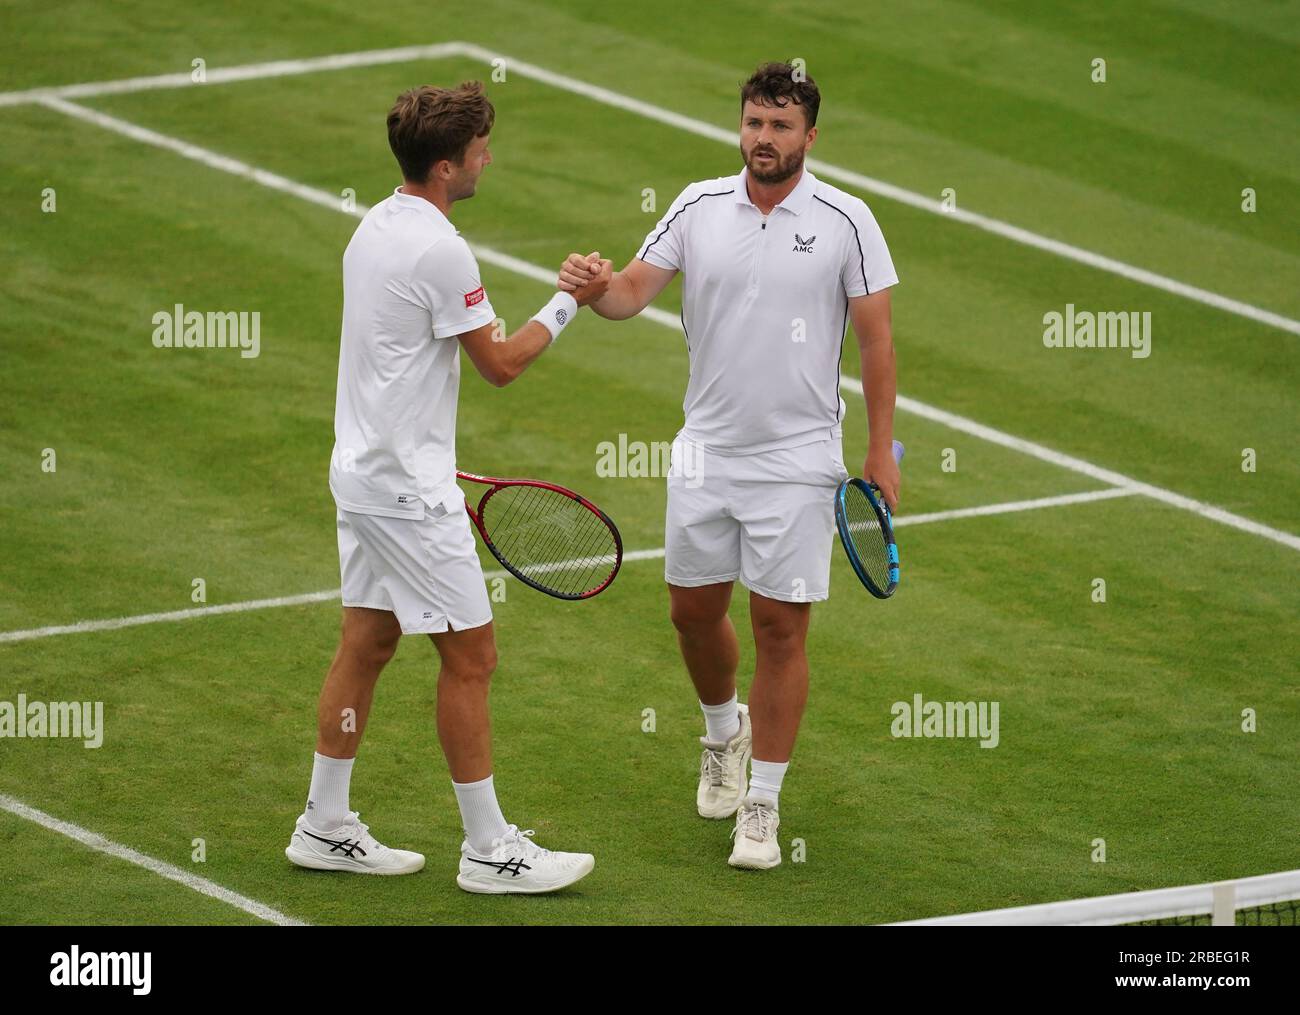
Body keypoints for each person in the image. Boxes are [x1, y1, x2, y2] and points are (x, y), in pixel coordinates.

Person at [557, 62, 899, 870]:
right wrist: (595, 286)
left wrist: (881, 447)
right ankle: (723, 733)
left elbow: (877, 342)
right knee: (690, 609)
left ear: (810, 137)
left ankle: (765, 805)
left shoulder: (850, 222)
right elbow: (631, 292)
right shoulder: (697, 206)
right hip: (706, 450)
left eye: (781, 127)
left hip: (797, 458)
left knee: (780, 626)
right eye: (753, 123)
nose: (763, 139)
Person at [286, 81, 611, 894]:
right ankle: (490, 849)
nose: (487, 159)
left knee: (367, 640)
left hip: (364, 474)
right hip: (403, 491)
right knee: (472, 654)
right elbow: (500, 364)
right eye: (478, 151)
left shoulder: (375, 226)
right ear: (445, 166)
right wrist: (568, 302)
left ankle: (324, 824)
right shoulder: (440, 249)